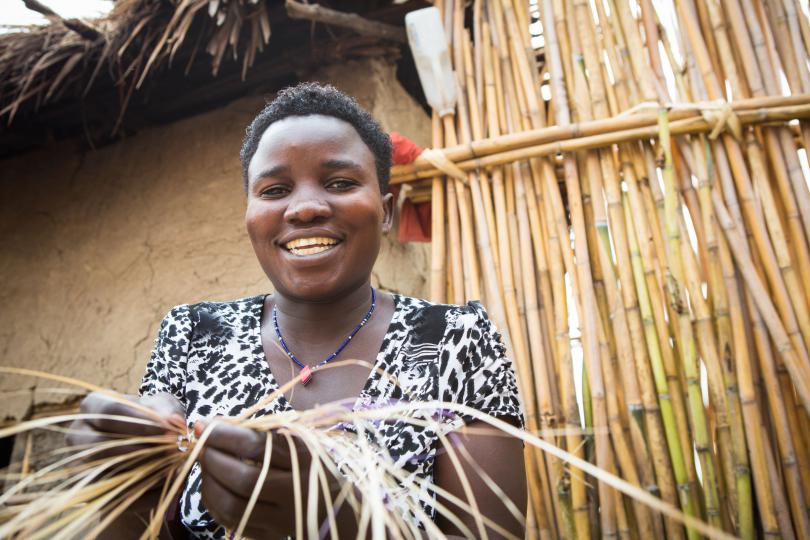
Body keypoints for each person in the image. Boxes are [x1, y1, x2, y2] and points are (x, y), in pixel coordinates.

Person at [68, 83, 527, 539]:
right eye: (274, 190)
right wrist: (122, 489)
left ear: (386, 212)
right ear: (249, 216)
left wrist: (343, 519)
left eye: (341, 183)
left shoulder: (456, 339)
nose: (305, 208)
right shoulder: (193, 336)